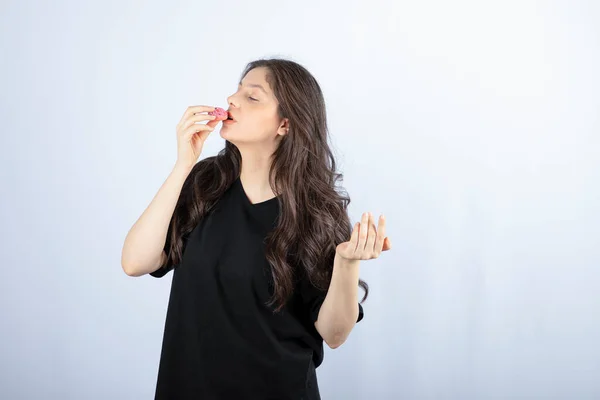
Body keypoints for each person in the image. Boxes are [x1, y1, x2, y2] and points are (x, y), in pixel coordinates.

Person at [121, 58, 392, 399]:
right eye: (236, 91)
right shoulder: (204, 184)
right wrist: (183, 165)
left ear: (285, 125)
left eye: (252, 97)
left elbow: (334, 335)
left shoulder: (316, 213)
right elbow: (135, 262)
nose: (232, 100)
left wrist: (347, 263)